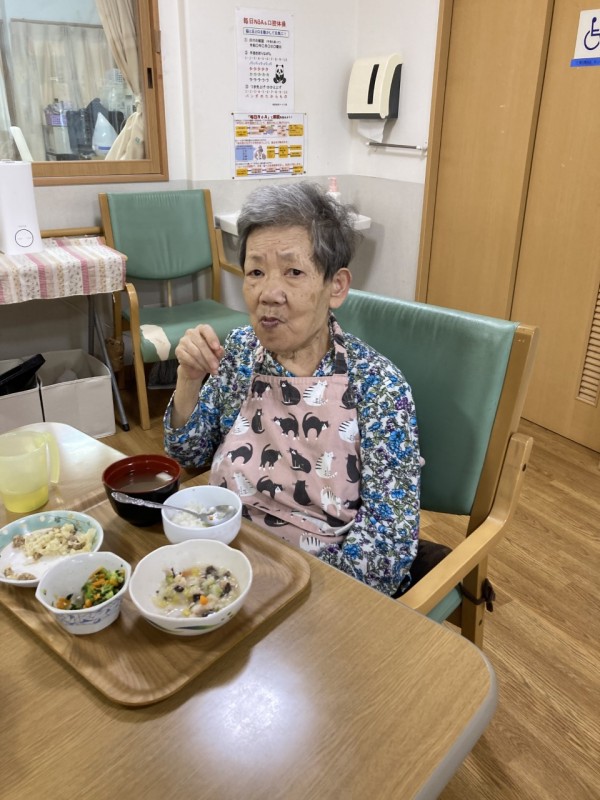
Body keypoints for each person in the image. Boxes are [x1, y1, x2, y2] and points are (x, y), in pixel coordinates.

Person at [164, 181, 420, 597]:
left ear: (336, 286)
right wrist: (189, 380)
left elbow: (387, 549)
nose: (268, 294)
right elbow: (187, 455)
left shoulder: (379, 386)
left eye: (294, 272)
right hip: (220, 556)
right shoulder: (240, 352)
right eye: (256, 272)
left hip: (316, 585)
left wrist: (292, 593)